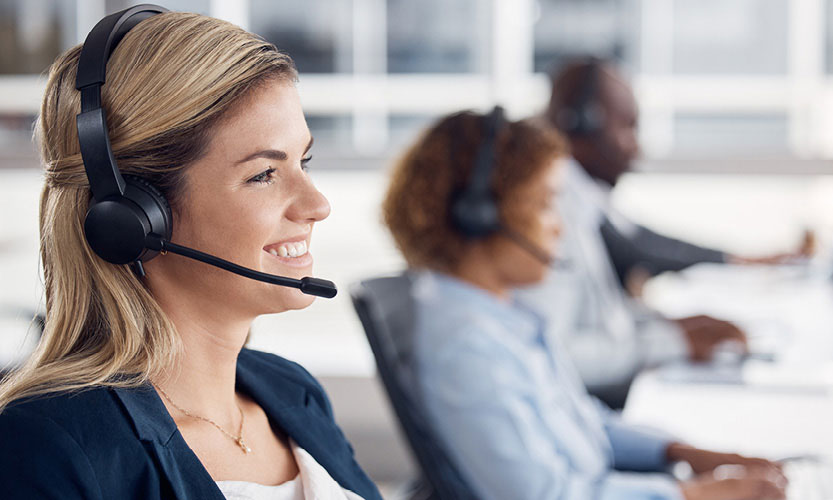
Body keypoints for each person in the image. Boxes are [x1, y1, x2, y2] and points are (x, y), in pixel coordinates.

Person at [0, 7, 381, 500]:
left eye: (303, 161)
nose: (317, 205)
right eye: (263, 174)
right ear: (135, 218)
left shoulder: (290, 392)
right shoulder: (50, 446)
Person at [381, 108, 787, 500]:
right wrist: (689, 495)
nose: (559, 225)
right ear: (478, 216)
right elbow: (548, 495)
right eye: (543, 203)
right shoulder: (466, 347)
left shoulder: (502, 313)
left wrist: (680, 451)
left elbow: (581, 423)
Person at [519, 58, 811, 406]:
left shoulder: (579, 200)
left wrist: (670, 326)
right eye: (628, 126)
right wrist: (670, 340)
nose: (637, 147)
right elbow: (556, 352)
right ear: (584, 123)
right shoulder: (551, 208)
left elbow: (638, 248)